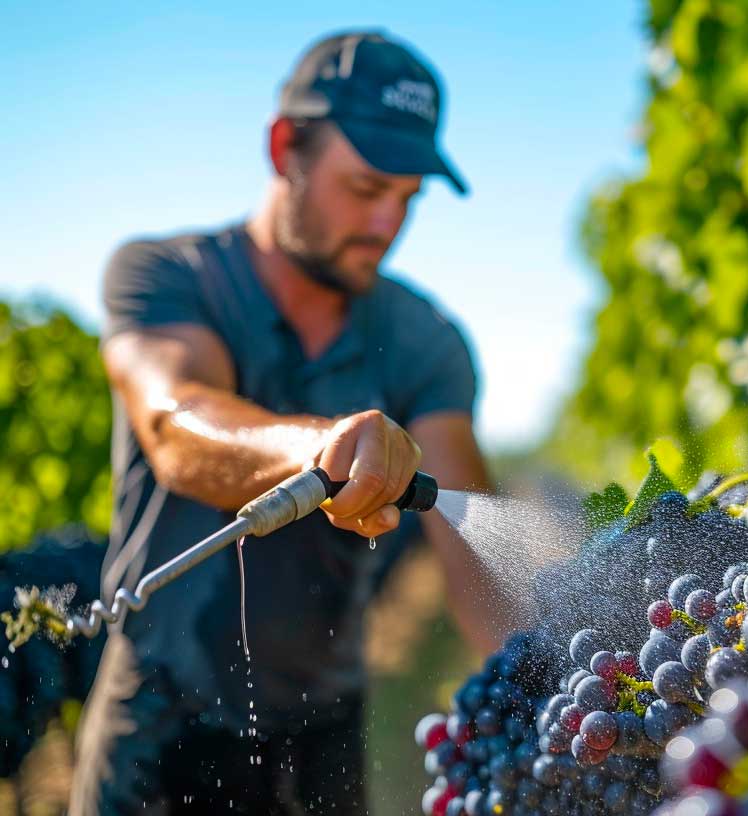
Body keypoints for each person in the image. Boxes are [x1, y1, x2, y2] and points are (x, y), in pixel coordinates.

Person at [69, 30, 506, 816]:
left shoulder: (425, 341)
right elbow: (177, 424)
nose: (386, 225)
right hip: (157, 725)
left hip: (323, 737)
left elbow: (478, 545)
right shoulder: (167, 277)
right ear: (285, 148)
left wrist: (563, 686)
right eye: (367, 187)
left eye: (408, 199)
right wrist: (321, 448)